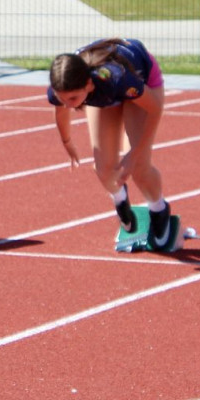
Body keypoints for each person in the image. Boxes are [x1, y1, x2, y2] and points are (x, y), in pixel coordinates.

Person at [47, 38, 171, 246]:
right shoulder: (63, 87)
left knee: (139, 166)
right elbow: (61, 113)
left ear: (87, 85)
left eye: (73, 99)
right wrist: (67, 143)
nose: (68, 105)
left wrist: (134, 154)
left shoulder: (116, 79)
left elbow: (155, 108)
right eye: (62, 99)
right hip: (103, 93)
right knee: (104, 169)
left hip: (140, 81)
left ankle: (159, 208)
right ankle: (120, 199)